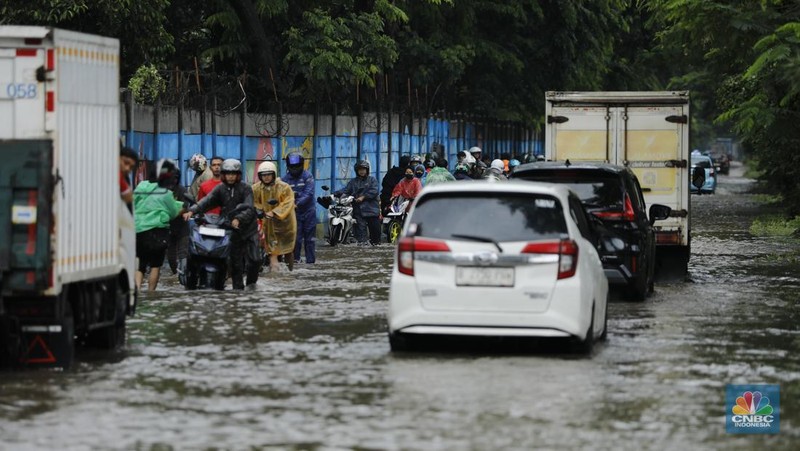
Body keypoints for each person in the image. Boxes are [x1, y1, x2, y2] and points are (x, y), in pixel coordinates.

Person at [182, 159, 260, 290]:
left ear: (238, 174)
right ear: (223, 174)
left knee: (255, 260)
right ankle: (238, 293)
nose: (230, 176)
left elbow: (249, 208)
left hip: (248, 230)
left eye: (233, 173)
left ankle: (252, 285)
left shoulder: (246, 188)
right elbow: (206, 201)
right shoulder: (220, 188)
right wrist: (191, 211)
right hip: (231, 230)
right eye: (228, 173)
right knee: (236, 265)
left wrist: (239, 219)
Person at [134, 159, 184, 292]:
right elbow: (173, 212)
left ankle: (137, 292)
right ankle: (151, 294)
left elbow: (133, 204)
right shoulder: (166, 192)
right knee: (155, 266)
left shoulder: (140, 186)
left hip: (139, 230)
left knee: (140, 265)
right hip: (158, 230)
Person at [253, 161, 297, 272]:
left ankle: (289, 271)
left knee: (288, 250)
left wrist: (274, 212)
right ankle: (272, 270)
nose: (266, 177)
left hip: (286, 224)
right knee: (270, 249)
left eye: (269, 174)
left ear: (273, 174)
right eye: (264, 175)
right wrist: (259, 210)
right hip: (267, 223)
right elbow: (252, 201)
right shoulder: (256, 188)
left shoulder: (284, 187)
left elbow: (288, 202)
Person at [336, 160, 381, 245]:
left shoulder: (372, 180)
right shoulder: (353, 182)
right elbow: (346, 190)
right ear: (356, 171)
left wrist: (363, 197)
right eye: (360, 169)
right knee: (361, 238)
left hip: (372, 211)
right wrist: (334, 194)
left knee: (376, 238)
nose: (362, 171)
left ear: (367, 170)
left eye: (364, 169)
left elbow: (374, 191)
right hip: (358, 211)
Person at [282, 152, 316, 264]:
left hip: (308, 212)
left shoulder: (308, 177)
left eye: (297, 166)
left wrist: (297, 203)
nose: (295, 169)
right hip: (293, 213)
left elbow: (308, 193)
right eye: (292, 167)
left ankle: (310, 262)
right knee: (296, 239)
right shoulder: (285, 180)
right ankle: (295, 261)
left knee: (309, 240)